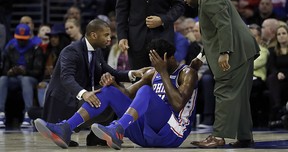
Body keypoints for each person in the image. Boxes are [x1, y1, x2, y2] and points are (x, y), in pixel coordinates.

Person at [34, 39, 198, 149]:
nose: (153, 65)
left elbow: (178, 104)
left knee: (146, 91)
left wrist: (163, 73)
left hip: (171, 133)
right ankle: (66, 128)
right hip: (145, 135)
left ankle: (118, 128)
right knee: (109, 91)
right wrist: (113, 84)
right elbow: (127, 94)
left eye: (156, 61)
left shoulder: (187, 73)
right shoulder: (152, 73)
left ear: (166, 58)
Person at [180, 0, 260, 148]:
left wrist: (225, 52)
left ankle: (218, 136)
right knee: (240, 96)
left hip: (236, 52)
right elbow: (213, 34)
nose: (185, 0)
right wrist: (200, 57)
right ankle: (245, 137)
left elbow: (224, 26)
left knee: (224, 90)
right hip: (242, 50)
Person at [42, 18, 145, 147]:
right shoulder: (72, 51)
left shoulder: (97, 51)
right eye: (106, 35)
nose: (110, 38)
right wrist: (84, 93)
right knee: (105, 95)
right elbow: (67, 78)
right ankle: (63, 128)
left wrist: (133, 73)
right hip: (64, 101)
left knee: (114, 90)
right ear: (94, 35)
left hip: (79, 98)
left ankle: (95, 137)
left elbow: (112, 72)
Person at [0, 24, 44, 128]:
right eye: (19, 39)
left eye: (24, 39)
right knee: (2, 79)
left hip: (30, 79)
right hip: (13, 79)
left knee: (25, 80)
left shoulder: (36, 47)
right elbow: (4, 70)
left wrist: (25, 71)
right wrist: (10, 71)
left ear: (29, 37)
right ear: (15, 37)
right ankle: (1, 113)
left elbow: (38, 71)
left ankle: (27, 114)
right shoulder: (10, 47)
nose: (21, 41)